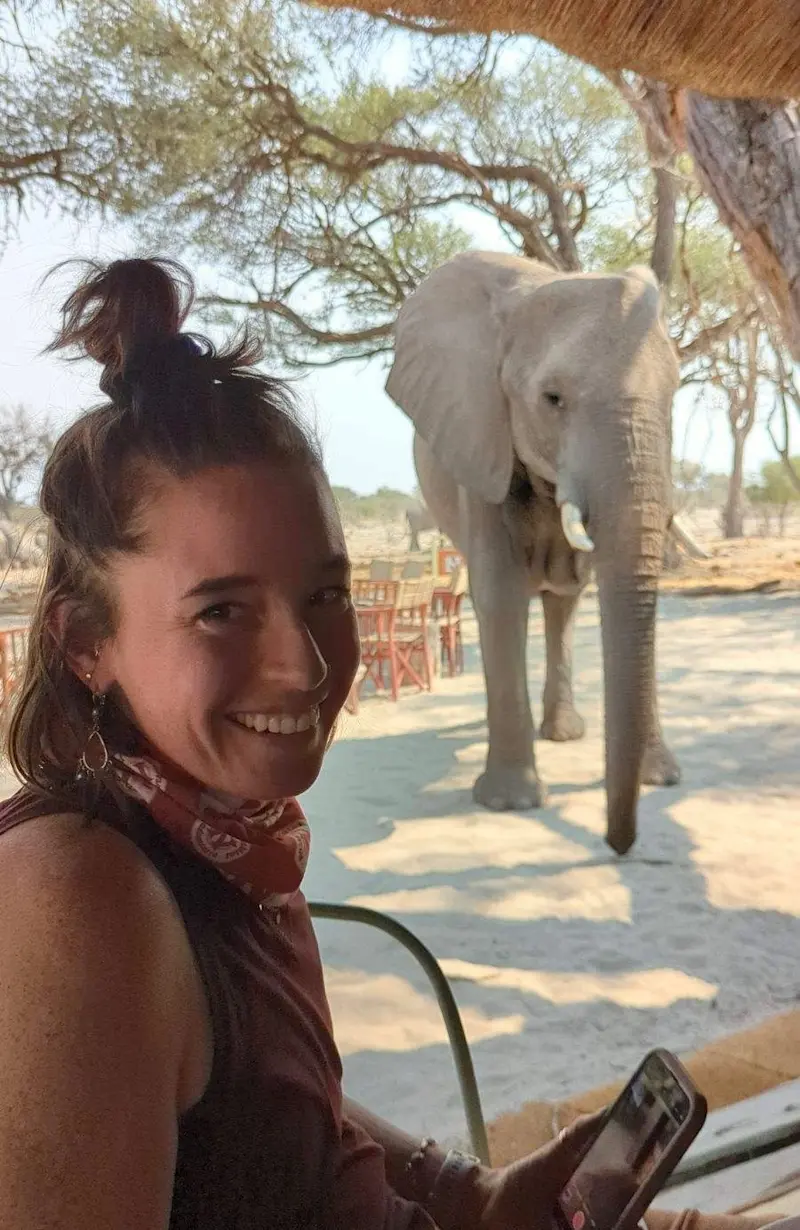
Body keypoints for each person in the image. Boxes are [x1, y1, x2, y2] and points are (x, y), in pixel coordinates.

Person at [0, 256, 766, 1230]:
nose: (305, 666)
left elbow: (258, 1103)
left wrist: (468, 1196)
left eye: (324, 593)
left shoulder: (219, 838)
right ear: (84, 643)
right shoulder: (80, 901)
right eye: (222, 611)